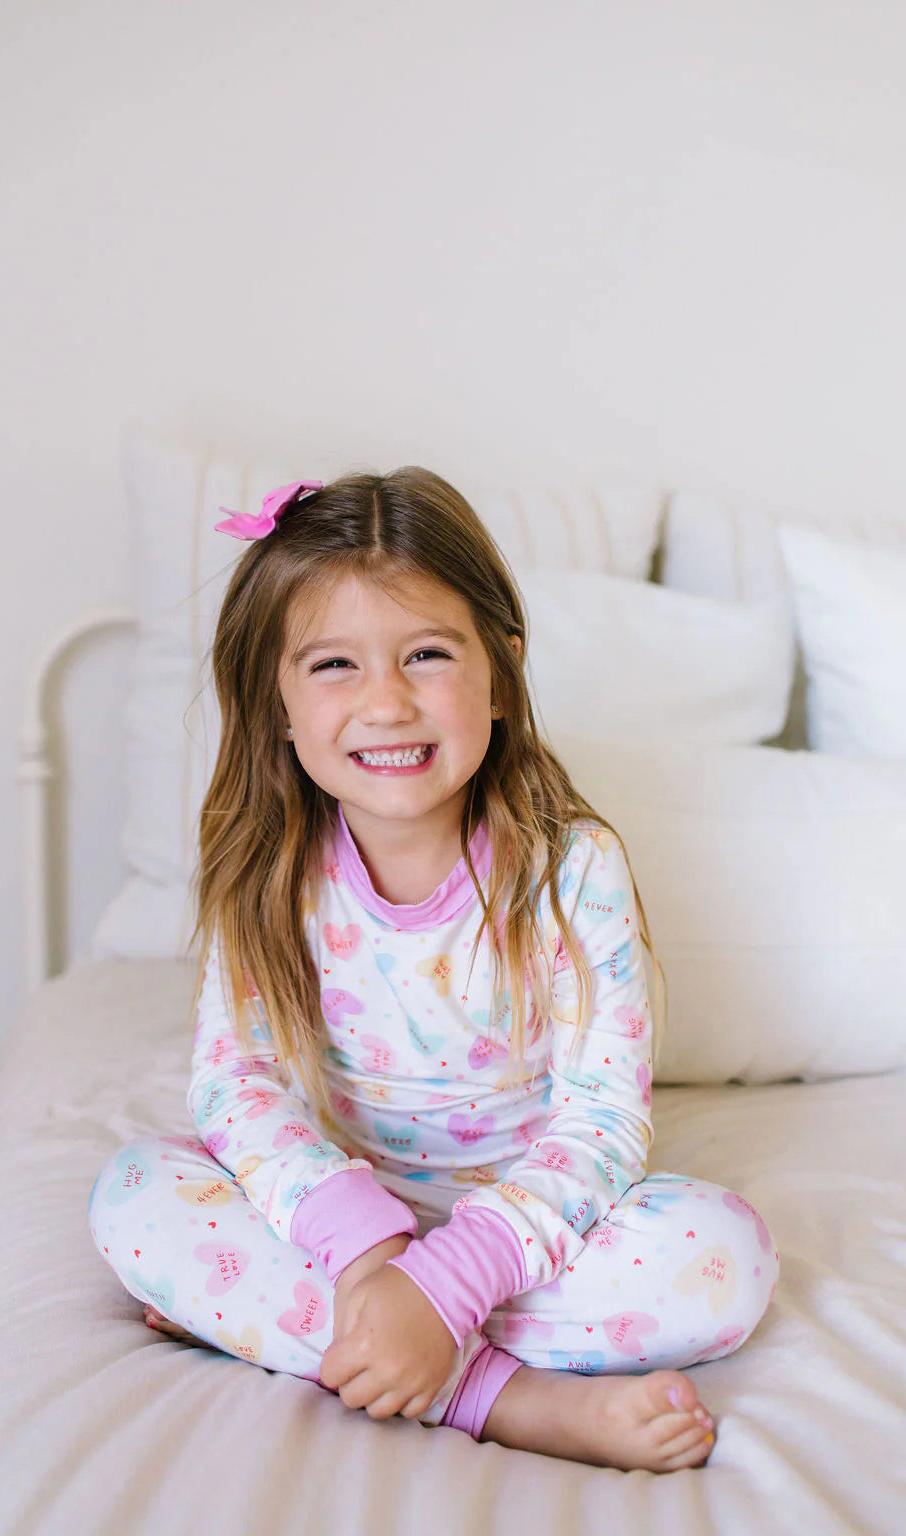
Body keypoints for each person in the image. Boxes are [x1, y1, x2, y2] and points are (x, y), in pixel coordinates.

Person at [89, 467, 778, 1472]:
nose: (386, 702)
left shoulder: (571, 867)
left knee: (724, 1260)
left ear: (499, 674)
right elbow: (238, 1089)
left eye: (426, 654)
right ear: (275, 701)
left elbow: (602, 1123)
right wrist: (373, 1257)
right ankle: (498, 1396)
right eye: (333, 665)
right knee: (132, 1194)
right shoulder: (268, 869)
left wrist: (448, 1282)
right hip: (337, 1222)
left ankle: (326, 1329)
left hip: (529, 1233)